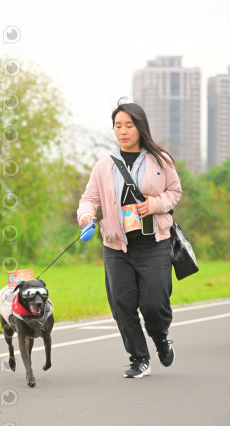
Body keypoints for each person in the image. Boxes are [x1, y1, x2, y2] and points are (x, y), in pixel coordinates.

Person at [77, 100, 182, 378]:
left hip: (154, 243)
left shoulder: (161, 160)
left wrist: (155, 204)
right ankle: (139, 358)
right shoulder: (103, 166)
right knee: (122, 305)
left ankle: (160, 338)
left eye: (129, 125)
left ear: (140, 127)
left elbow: (174, 192)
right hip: (116, 246)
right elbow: (89, 199)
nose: (122, 131)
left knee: (154, 304)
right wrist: (86, 216)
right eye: (118, 126)